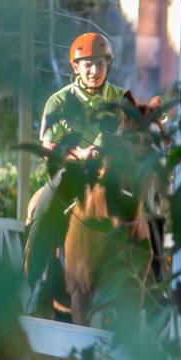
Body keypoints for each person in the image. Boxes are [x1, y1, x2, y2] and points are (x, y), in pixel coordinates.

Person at [25, 31, 128, 232]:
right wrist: (81, 154)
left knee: (150, 213)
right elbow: (49, 150)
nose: (94, 70)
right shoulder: (58, 102)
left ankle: (157, 261)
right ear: (75, 67)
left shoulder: (123, 99)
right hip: (70, 175)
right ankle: (36, 262)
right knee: (42, 211)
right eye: (87, 65)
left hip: (114, 175)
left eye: (100, 63)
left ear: (108, 65)